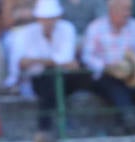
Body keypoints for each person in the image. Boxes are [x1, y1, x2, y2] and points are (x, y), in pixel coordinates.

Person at [15, 0, 87, 129]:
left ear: (58, 17)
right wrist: (55, 62)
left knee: (55, 80)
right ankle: (60, 120)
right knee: (50, 81)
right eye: (44, 18)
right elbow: (24, 63)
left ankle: (45, 128)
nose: (48, 22)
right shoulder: (28, 33)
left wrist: (39, 61)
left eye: (51, 18)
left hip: (64, 80)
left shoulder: (67, 28)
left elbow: (66, 58)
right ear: (38, 18)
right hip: (41, 80)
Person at [81, 0, 135, 132]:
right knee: (113, 83)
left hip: (131, 74)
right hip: (104, 76)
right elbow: (87, 56)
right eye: (124, 9)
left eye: (129, 9)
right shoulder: (95, 27)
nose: (128, 13)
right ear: (112, 10)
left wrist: (131, 66)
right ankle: (128, 116)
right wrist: (106, 66)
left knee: (129, 84)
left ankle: (123, 123)